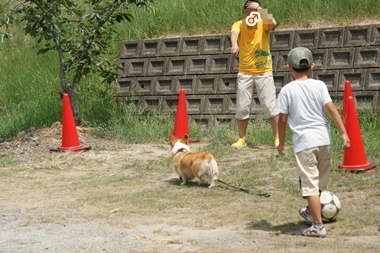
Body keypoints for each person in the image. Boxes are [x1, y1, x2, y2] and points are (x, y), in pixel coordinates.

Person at [275, 46, 350, 237]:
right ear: (312, 66)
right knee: (319, 184)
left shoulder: (287, 90)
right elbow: (331, 108)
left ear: (288, 68)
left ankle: (318, 226)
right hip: (325, 140)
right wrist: (343, 133)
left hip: (305, 142)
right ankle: (311, 212)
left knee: (309, 185)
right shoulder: (320, 85)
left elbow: (282, 119)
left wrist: (280, 141)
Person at [230, 0, 279, 148]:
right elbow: (234, 33)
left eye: (254, 10)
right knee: (242, 107)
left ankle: (277, 138)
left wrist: (259, 9)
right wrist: (234, 44)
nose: (252, 12)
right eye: (249, 9)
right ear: (244, 12)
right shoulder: (238, 23)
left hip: (264, 71)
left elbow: (274, 24)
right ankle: (242, 139)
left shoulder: (263, 23)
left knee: (270, 105)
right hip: (245, 72)